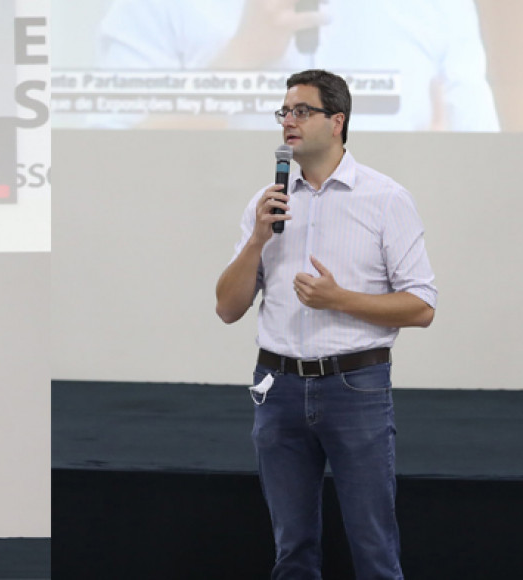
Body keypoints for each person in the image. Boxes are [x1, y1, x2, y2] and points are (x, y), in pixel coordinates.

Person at [215, 69, 437, 578]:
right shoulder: (265, 204)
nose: (288, 122)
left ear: (337, 121)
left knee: (373, 548)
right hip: (277, 389)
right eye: (284, 111)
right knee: (292, 550)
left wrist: (341, 299)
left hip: (354, 385)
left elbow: (422, 306)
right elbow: (228, 309)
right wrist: (256, 241)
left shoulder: (384, 199)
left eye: (302, 111)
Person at [89, 0, 499, 131]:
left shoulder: (437, 6)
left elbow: (484, 162)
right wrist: (240, 57)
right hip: (203, 260)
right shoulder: (157, 6)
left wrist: (437, 163)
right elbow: (103, 166)